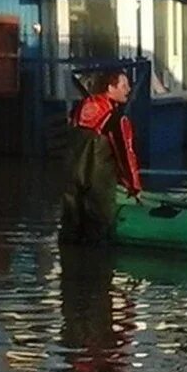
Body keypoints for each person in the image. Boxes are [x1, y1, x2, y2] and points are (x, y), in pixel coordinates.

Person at [60, 70, 142, 245]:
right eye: (124, 85)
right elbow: (126, 154)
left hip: (72, 178)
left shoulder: (79, 109)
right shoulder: (117, 119)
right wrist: (133, 186)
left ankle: (70, 268)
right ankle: (97, 268)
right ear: (110, 88)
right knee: (97, 232)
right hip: (98, 182)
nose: (128, 89)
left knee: (69, 229)